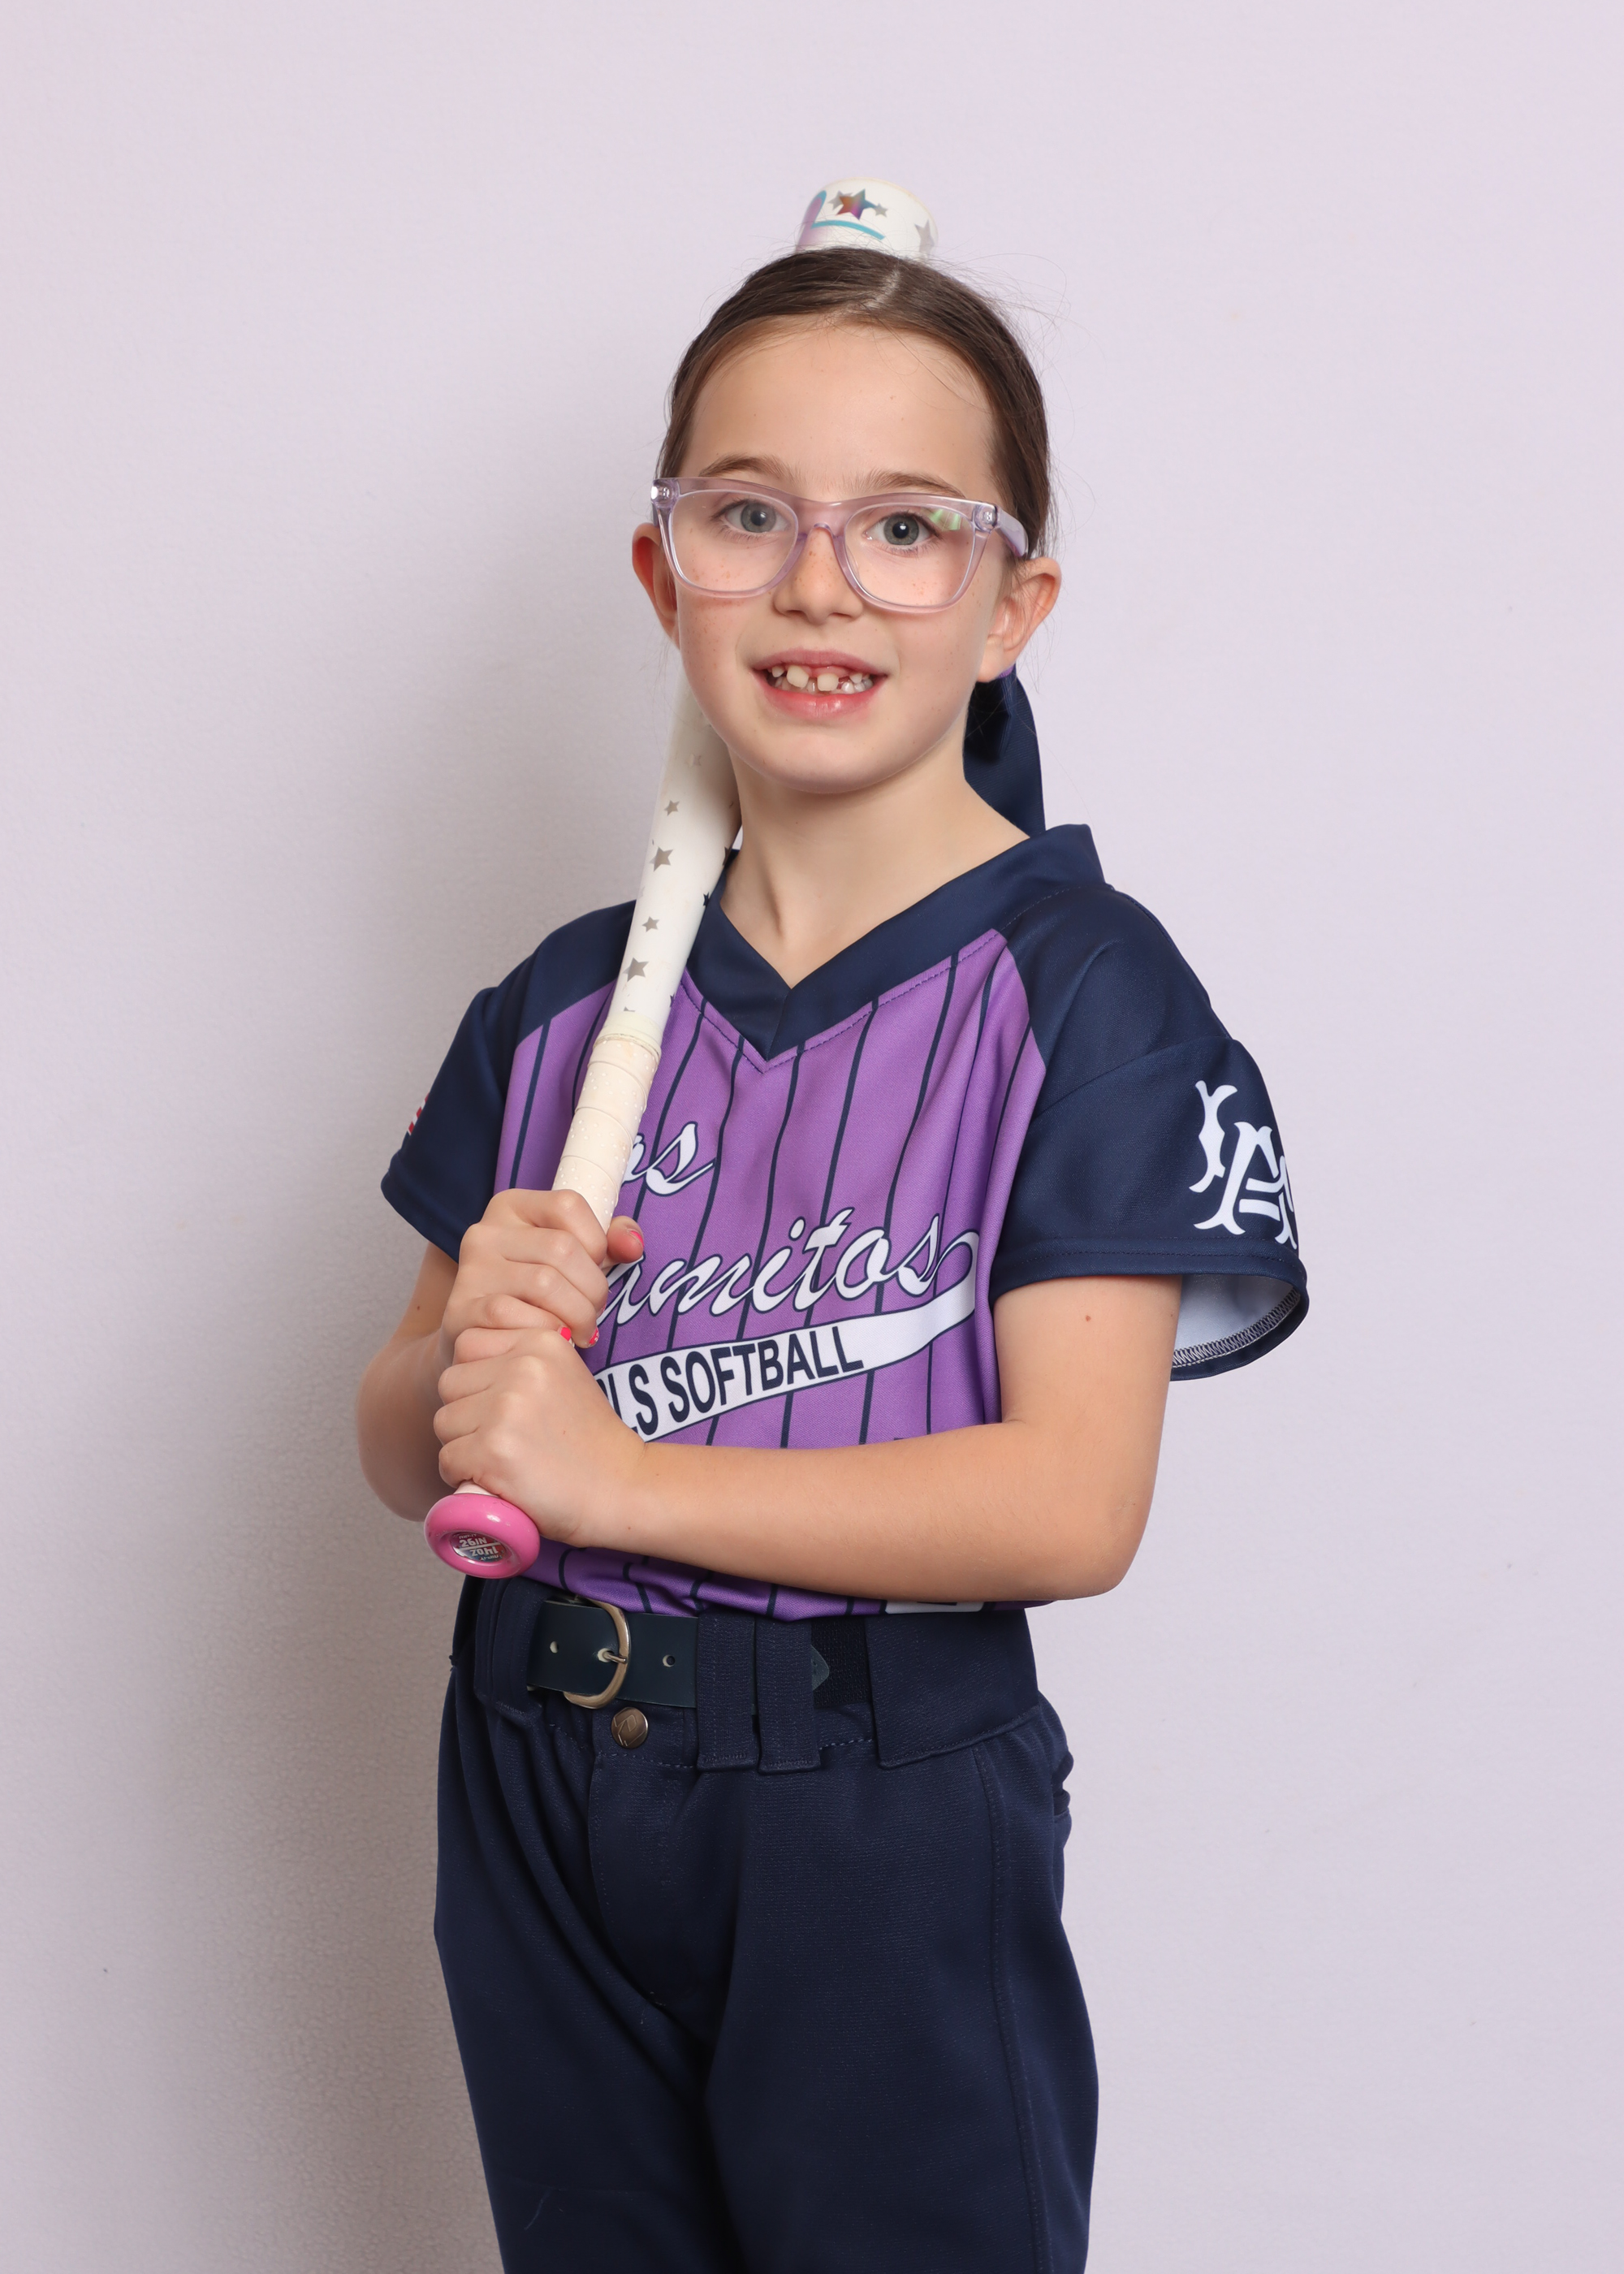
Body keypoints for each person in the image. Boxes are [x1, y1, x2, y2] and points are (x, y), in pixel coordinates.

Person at [356, 183, 1307, 2274]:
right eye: (748, 513)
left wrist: (614, 1472)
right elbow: (402, 1435)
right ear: (662, 568)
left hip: (874, 1794)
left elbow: (1067, 1503)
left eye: (903, 527)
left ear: (1010, 602)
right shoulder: (565, 1002)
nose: (819, 581)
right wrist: (461, 1357)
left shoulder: (1085, 991)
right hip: (530, 1763)